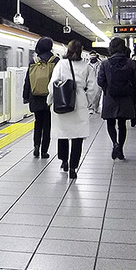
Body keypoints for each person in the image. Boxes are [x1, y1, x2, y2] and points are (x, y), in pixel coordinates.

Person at [47, 39, 97, 179]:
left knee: (63, 133)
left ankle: (64, 161)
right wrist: (87, 102)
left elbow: (52, 84)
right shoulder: (87, 67)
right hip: (79, 103)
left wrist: (50, 100)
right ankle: (73, 168)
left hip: (63, 101)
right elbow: (93, 88)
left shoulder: (61, 65)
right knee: (77, 137)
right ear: (81, 51)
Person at [97, 37, 136, 160]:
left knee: (110, 123)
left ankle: (114, 144)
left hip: (110, 98)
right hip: (126, 98)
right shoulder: (131, 63)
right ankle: (121, 149)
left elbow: (100, 81)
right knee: (122, 125)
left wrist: (108, 88)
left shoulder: (105, 63)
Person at [22, 37, 58, 159]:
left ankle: (36, 147)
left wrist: (26, 96)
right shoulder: (55, 60)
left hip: (35, 96)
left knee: (38, 122)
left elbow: (28, 80)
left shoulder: (33, 61)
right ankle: (44, 151)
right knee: (47, 125)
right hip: (49, 97)